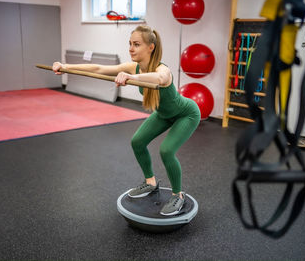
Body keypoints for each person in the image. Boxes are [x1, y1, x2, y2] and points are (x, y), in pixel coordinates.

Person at [53, 25, 200, 216]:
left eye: (136, 44)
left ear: (151, 47)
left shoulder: (163, 70)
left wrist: (133, 77)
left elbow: (158, 78)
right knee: (137, 142)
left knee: (166, 150)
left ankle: (178, 196)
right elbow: (99, 68)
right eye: (130, 44)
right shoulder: (134, 66)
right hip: (164, 114)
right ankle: (150, 182)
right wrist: (66, 67)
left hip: (186, 114)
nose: (131, 48)